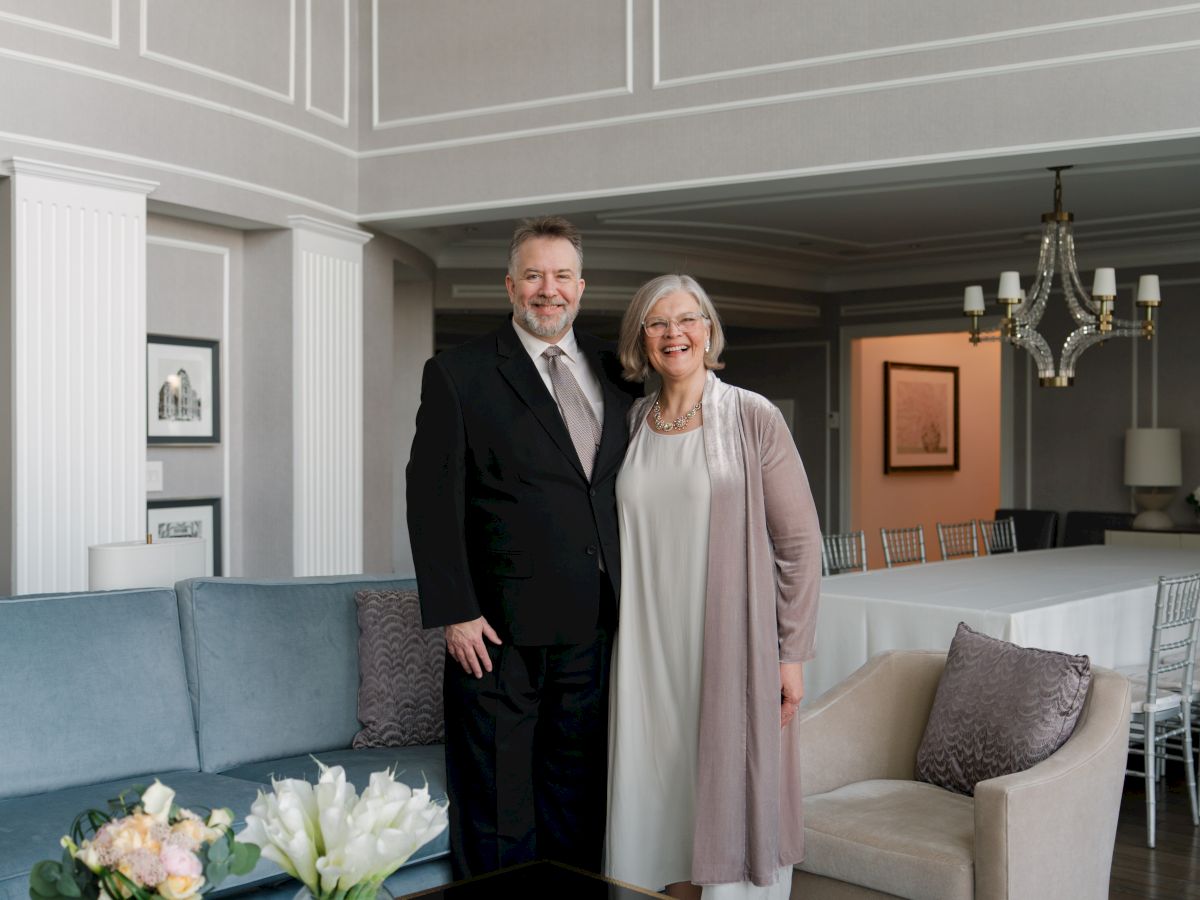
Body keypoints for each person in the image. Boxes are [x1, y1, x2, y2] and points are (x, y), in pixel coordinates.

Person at [406, 216, 639, 879]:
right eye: (534, 275)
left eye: (561, 276)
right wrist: (455, 610)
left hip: (596, 628)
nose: (548, 289)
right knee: (500, 810)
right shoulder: (459, 373)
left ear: (581, 286)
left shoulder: (617, 371)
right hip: (497, 636)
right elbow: (430, 499)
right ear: (510, 285)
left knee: (577, 802)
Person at [604, 274, 821, 899]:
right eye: (657, 323)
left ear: (708, 330)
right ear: (641, 341)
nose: (674, 333)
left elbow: (801, 544)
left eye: (687, 319)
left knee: (722, 798)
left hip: (727, 649)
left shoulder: (752, 417)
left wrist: (791, 655)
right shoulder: (630, 423)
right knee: (659, 810)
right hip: (645, 653)